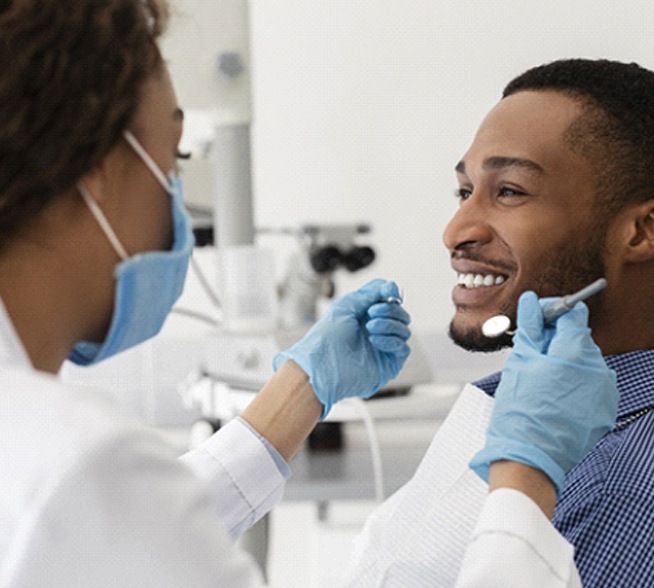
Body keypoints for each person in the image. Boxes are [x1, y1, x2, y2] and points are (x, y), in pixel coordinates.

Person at [0, 2, 621, 586]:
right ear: (96, 173)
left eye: (509, 190)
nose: (455, 232)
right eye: (175, 158)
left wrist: (300, 390)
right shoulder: (74, 466)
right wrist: (527, 477)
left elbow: (117, 541)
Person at [344, 57, 654, 587]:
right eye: (465, 192)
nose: (456, 230)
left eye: (509, 191)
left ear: (642, 232)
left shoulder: (620, 486)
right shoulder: (526, 413)